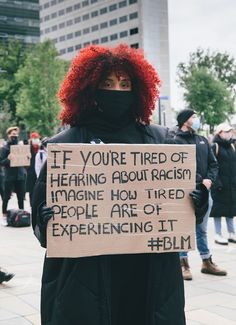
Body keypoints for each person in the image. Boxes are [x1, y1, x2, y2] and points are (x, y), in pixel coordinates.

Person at [32, 44, 187, 325]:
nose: (117, 90)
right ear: (90, 89)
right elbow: (41, 227)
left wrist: (194, 204)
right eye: (108, 83)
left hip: (147, 276)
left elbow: (176, 209)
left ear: (137, 90)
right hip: (86, 279)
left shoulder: (161, 140)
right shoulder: (65, 145)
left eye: (124, 84)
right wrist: (46, 223)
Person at [170, 109, 227, 280]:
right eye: (193, 117)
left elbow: (213, 164)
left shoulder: (202, 140)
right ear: (184, 120)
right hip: (185, 193)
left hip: (205, 192)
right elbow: (176, 167)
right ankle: (183, 263)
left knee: (201, 230)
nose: (196, 120)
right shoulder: (174, 141)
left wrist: (209, 180)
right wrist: (197, 181)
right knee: (183, 228)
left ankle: (206, 261)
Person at [210, 123, 236, 244]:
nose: (229, 133)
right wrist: (216, 183)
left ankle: (232, 233)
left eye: (230, 131)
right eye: (226, 131)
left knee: (231, 210)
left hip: (231, 185)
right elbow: (211, 165)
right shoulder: (215, 146)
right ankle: (217, 234)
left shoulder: (232, 146)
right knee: (218, 211)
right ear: (219, 133)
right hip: (219, 186)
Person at [0, 126, 27, 226]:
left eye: (16, 135)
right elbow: (1, 162)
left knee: (20, 197)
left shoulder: (21, 147)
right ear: (9, 135)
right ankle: (4, 216)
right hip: (9, 176)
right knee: (6, 197)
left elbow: (26, 164)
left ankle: (22, 214)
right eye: (12, 135)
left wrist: (27, 157)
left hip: (20, 176)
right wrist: (8, 159)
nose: (14, 136)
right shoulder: (5, 148)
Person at [26, 132, 41, 206]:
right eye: (34, 138)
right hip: (31, 172)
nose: (36, 140)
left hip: (38, 172)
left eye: (37, 138)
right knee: (31, 191)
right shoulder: (27, 148)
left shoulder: (41, 148)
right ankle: (32, 205)